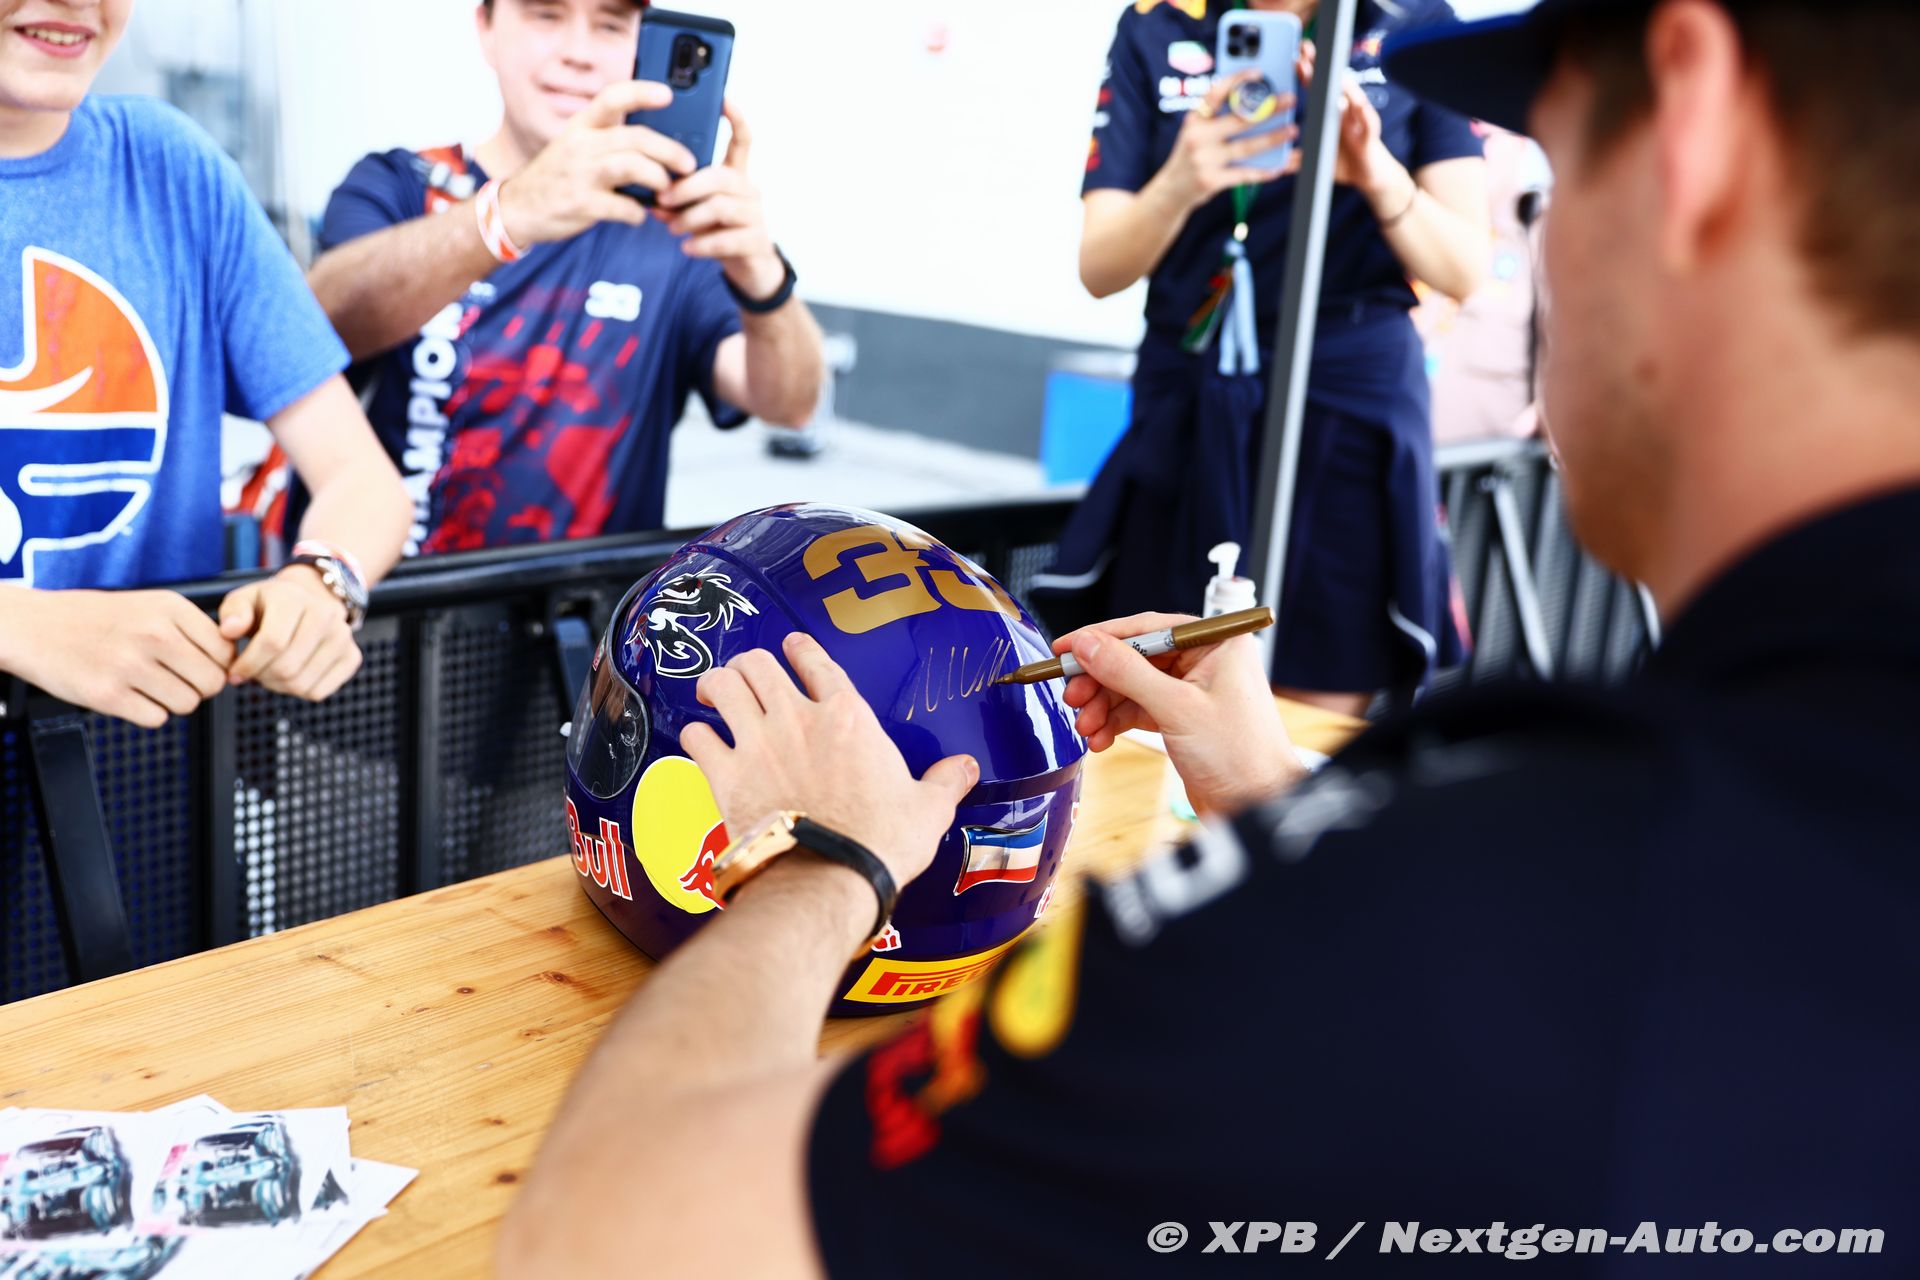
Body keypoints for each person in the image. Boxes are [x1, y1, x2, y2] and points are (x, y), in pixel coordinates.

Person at [499, 0, 1920, 1273]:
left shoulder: (1520, 877)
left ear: (1695, 131)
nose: (1534, 262)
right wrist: (1276, 797)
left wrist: (826, 866)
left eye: (1554, 177)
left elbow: (606, 1237)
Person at [1034, 0, 1491, 718]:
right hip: (1190, 393)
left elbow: (1464, 268)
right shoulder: (1159, 21)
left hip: (1347, 399)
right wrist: (1184, 178)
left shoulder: (1416, 19)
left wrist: (1375, 172)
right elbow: (1100, 265)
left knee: (1321, 683)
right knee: (1160, 681)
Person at [0, 0, 410, 728]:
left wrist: (321, 581)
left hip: (142, 780)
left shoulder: (172, 170)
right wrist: (23, 624)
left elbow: (361, 478)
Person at [304, 0, 824, 556]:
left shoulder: (676, 232)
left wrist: (763, 278)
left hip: (587, 602)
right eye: (545, 15)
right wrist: (509, 213)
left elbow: (789, 402)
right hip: (391, 591)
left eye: (610, 24)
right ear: (486, 29)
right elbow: (313, 329)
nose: (578, 54)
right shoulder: (400, 185)